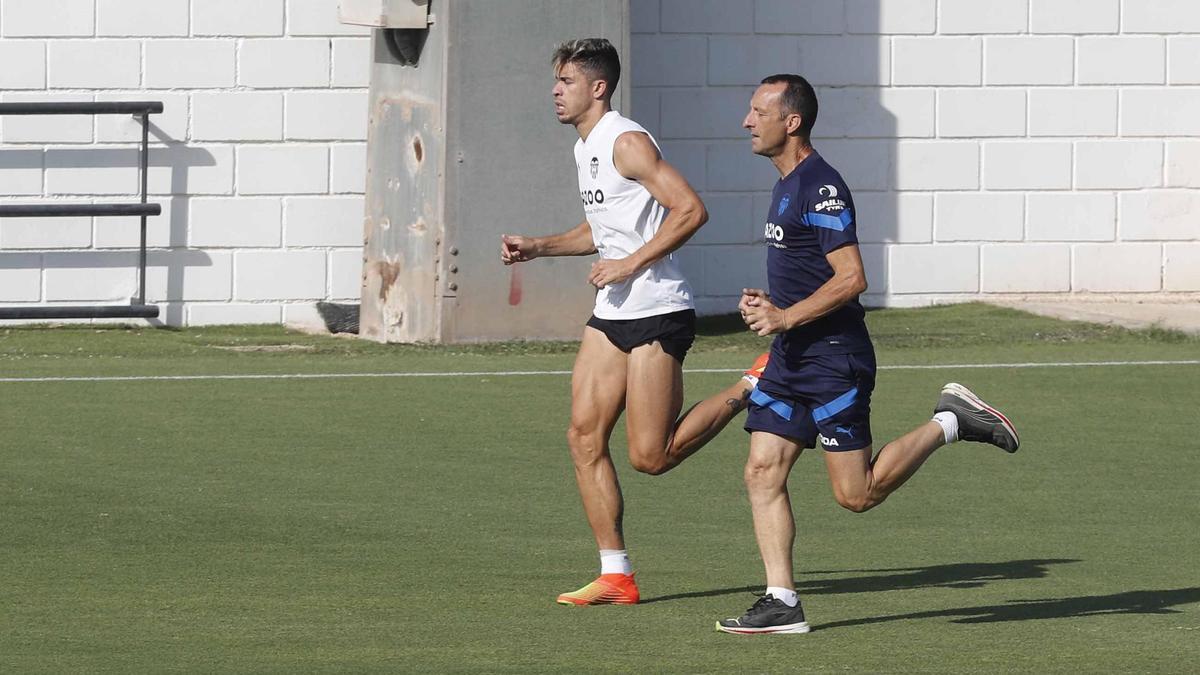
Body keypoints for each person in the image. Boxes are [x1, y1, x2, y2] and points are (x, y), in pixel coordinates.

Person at [716, 74, 1020, 635]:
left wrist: (785, 315)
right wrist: (774, 306)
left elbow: (852, 277)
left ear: (792, 122)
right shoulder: (785, 184)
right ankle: (782, 601)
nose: (745, 121)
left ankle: (950, 421)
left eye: (758, 111)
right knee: (762, 470)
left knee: (856, 495)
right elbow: (812, 274)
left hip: (834, 360)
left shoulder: (820, 186)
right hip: (791, 357)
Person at [500, 38, 762, 606]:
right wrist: (539, 246)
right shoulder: (584, 148)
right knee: (583, 437)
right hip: (612, 314)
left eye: (566, 81)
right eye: (556, 80)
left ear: (598, 87)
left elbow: (690, 208)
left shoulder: (627, 141)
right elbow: (603, 229)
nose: (555, 91)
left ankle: (751, 385)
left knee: (651, 456)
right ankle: (616, 574)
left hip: (658, 311)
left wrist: (630, 262)